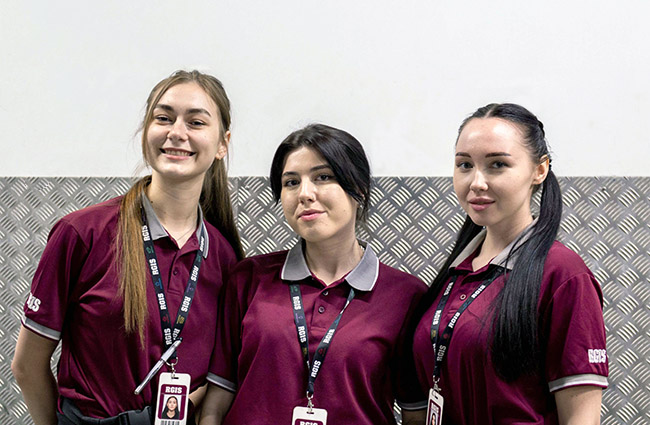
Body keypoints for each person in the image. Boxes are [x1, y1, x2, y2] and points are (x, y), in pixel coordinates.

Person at [11, 70, 244, 425]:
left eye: (196, 122)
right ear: (145, 131)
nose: (176, 132)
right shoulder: (81, 234)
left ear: (222, 143)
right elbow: (27, 366)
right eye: (163, 118)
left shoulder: (225, 258)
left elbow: (219, 378)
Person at [199, 124, 427, 425]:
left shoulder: (406, 296)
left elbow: (415, 414)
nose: (305, 194)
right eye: (291, 182)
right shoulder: (248, 279)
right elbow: (215, 405)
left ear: (359, 188)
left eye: (323, 177)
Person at [400, 103, 608, 425]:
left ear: (539, 170)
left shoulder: (563, 274)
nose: (476, 182)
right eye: (465, 165)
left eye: (497, 164)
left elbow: (581, 418)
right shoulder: (455, 274)